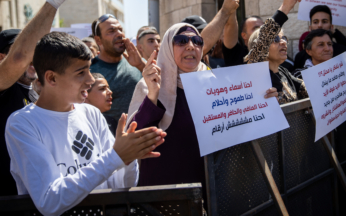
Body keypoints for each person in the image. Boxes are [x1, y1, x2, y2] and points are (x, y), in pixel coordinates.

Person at [5, 32, 166, 216]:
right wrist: (115, 157)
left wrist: (128, 159)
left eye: (89, 70)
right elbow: (50, 200)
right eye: (81, 73)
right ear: (51, 78)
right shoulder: (22, 124)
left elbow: (121, 185)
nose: (90, 80)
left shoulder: (91, 114)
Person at [126, 23, 277, 206]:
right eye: (181, 41)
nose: (191, 46)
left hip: (209, 187)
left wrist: (262, 101)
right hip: (164, 192)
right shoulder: (149, 85)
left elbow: (237, 127)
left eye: (197, 41)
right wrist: (153, 95)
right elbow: (133, 139)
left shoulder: (213, 83)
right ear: (167, 48)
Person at [0, 0, 86, 196]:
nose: (32, 55)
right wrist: (53, 1)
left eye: (35, 48)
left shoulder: (40, 91)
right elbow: (18, 58)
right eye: (26, 47)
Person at [245, 0, 346, 104]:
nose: (283, 42)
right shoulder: (257, 74)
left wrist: (344, 80)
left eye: (284, 38)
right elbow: (264, 38)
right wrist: (285, 7)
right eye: (276, 39)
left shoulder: (284, 73)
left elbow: (316, 89)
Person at [90, 14, 144, 134]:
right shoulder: (89, 71)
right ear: (98, 40)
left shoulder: (138, 62)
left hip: (143, 140)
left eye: (120, 29)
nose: (119, 34)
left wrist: (141, 65)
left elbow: (163, 88)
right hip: (111, 145)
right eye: (111, 31)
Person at [294, 5, 346, 69]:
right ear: (310, 28)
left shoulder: (343, 52)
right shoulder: (300, 57)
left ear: (331, 27)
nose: (320, 25)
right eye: (315, 22)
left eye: (324, 22)